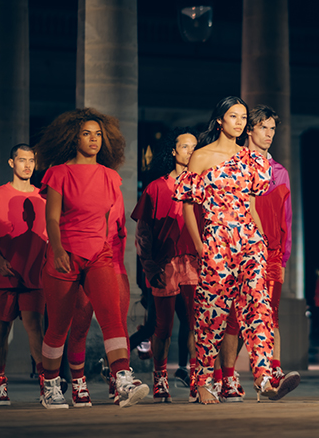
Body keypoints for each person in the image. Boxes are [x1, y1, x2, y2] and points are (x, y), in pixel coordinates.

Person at [175, 96, 298, 404]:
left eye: (243, 117)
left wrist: (262, 239)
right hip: (217, 241)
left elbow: (252, 204)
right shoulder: (201, 157)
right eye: (234, 116)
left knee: (259, 309)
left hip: (250, 241)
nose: (240, 122)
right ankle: (202, 382)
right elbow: (189, 207)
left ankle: (265, 379)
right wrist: (201, 246)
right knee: (211, 314)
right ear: (220, 120)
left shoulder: (252, 159)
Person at [35, 108, 149, 409]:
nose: (94, 139)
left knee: (112, 317)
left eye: (98, 134)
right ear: (74, 137)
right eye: (87, 133)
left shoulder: (110, 176)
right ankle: (50, 385)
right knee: (59, 325)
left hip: (99, 255)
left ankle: (122, 379)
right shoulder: (59, 173)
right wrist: (57, 250)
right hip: (65, 254)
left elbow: (111, 221)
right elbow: (52, 219)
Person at [217, 105, 300, 402]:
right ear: (249, 129)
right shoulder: (233, 163)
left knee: (270, 315)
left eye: (272, 129)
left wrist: (285, 256)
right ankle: (226, 377)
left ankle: (272, 372)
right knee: (235, 318)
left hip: (273, 253)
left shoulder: (280, 172)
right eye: (263, 127)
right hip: (239, 249)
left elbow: (286, 218)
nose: (269, 134)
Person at [131, 127, 200, 403]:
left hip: (194, 264)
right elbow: (143, 231)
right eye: (185, 146)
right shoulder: (157, 187)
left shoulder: (203, 186)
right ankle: (160, 379)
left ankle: (197, 378)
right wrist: (148, 265)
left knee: (196, 326)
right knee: (162, 327)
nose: (191, 151)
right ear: (174, 151)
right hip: (164, 265)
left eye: (195, 147)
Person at [0, 144, 47, 406]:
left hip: (34, 275)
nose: (27, 165)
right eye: (22, 160)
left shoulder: (44, 196)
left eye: (31, 160)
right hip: (3, 274)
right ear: (11, 163)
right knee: (2, 329)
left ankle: (45, 383)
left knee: (35, 329)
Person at [63, 190, 130, 407]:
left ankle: (120, 379)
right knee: (80, 325)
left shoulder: (113, 188)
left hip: (113, 263)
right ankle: (78, 382)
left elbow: (121, 231)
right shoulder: (72, 187)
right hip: (83, 262)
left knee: (118, 325)